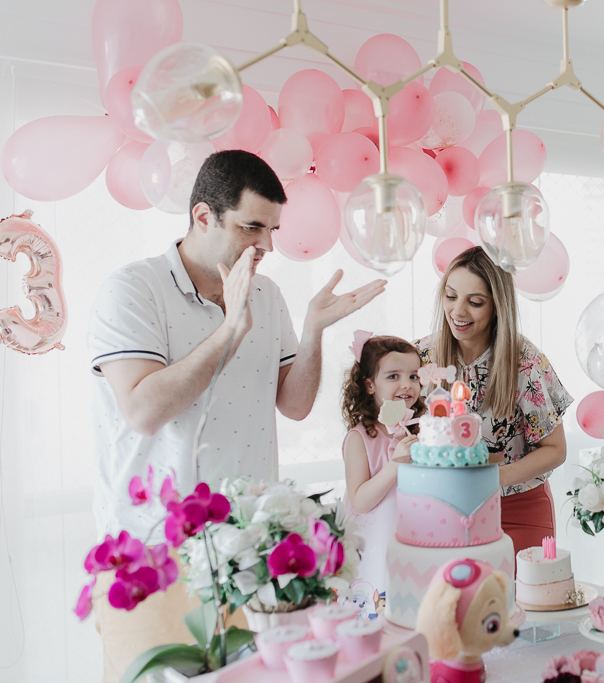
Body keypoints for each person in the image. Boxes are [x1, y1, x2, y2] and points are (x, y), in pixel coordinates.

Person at [87, 150, 385, 682]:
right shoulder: (132, 290)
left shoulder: (267, 296)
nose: (267, 245)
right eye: (252, 227)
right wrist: (229, 330)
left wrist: (314, 329)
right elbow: (143, 410)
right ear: (204, 216)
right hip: (153, 557)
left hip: (246, 552)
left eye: (272, 229)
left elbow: (293, 406)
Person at [416, 247, 572, 557]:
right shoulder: (421, 357)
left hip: (519, 510)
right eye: (450, 296)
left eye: (475, 302)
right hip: (443, 511)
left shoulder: (525, 362)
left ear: (497, 307)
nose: (458, 311)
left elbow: (556, 450)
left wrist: (492, 479)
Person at [341, 333, 424, 595]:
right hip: (377, 545)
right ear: (369, 385)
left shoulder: (421, 431)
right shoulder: (360, 438)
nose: (406, 384)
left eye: (413, 376)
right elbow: (360, 501)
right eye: (393, 376)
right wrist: (394, 465)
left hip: (417, 537)